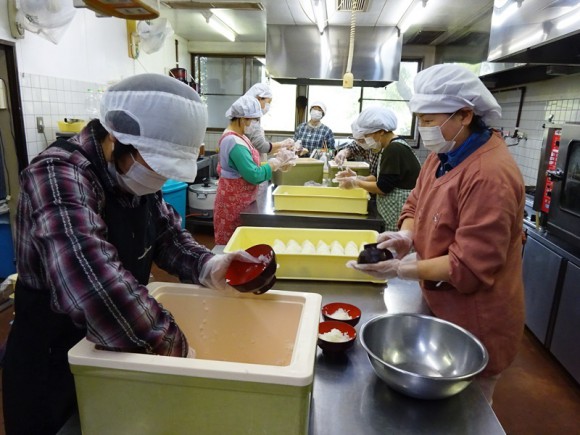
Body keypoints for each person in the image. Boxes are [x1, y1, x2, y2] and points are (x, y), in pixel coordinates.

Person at [1, 73, 265, 435]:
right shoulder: (58, 175)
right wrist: (176, 348)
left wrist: (210, 265)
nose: (158, 178)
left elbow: (168, 237)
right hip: (53, 359)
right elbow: (94, 286)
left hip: (119, 350)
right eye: (156, 165)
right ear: (116, 137)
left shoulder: (129, 173)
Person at [349, 64, 526, 404]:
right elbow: (415, 204)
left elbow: (469, 267)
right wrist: (405, 237)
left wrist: (402, 269)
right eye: (420, 119)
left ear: (464, 115)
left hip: (476, 320)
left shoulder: (490, 174)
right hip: (439, 303)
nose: (423, 128)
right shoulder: (441, 155)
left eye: (430, 120)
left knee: (465, 410)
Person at [214, 95, 296, 245]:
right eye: (254, 120)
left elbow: (251, 165)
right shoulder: (234, 142)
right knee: (233, 245)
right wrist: (275, 163)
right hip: (233, 205)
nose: (255, 124)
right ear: (242, 118)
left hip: (242, 201)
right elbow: (254, 175)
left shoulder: (241, 137)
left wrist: (277, 162)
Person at [335, 107, 421, 231]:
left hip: (399, 212)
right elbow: (385, 178)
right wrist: (358, 177)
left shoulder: (394, 149)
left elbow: (383, 187)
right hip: (394, 211)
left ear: (381, 131)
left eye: (367, 135)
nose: (366, 139)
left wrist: (355, 182)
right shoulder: (390, 146)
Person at [244, 83, 294, 154]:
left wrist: (284, 149)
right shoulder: (250, 121)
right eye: (268, 102)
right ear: (259, 99)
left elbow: (260, 147)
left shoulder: (253, 119)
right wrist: (283, 144)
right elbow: (262, 146)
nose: (268, 106)